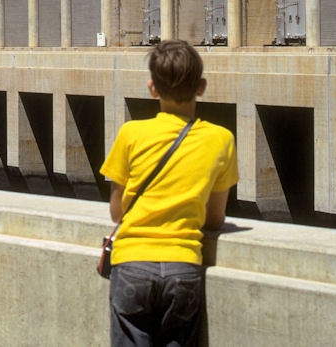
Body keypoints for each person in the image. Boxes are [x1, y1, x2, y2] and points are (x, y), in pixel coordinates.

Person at [99, 39, 238, 347]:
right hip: (183, 266)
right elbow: (214, 219)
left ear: (152, 88)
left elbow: (117, 211)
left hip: (132, 264)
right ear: (201, 87)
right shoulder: (221, 140)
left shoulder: (131, 134)